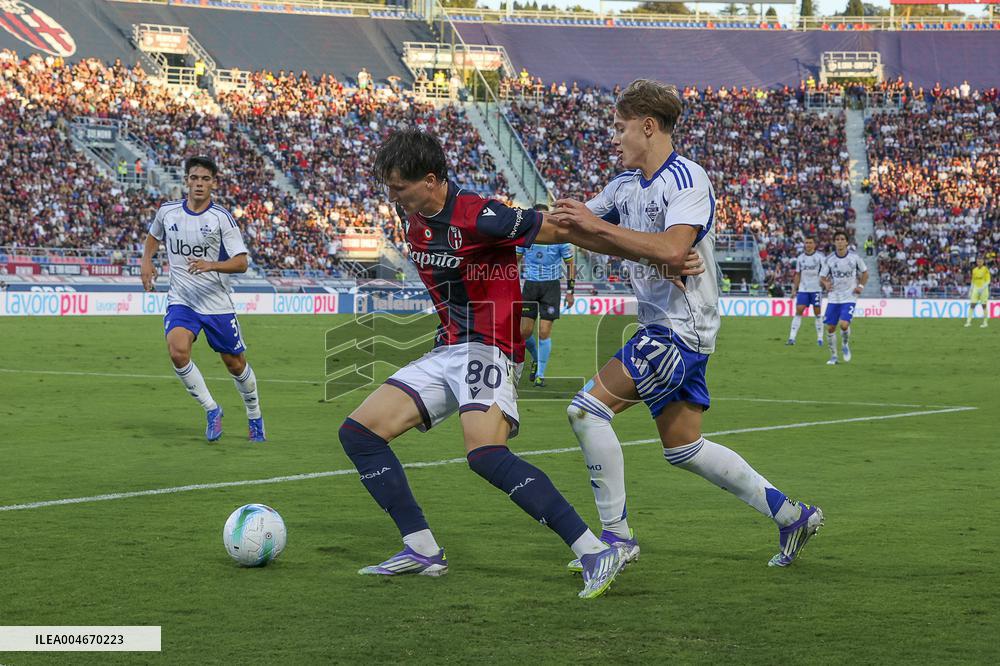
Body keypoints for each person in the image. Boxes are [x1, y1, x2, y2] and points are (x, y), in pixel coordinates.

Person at [338, 129, 632, 599]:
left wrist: (648, 253)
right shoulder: (411, 213)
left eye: (399, 187)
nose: (392, 197)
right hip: (448, 349)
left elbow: (561, 230)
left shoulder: (481, 216)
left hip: (488, 347)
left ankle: (594, 550)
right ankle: (422, 549)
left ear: (430, 180)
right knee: (358, 434)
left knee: (485, 454)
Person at [551, 79, 824, 574]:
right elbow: (576, 228)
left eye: (620, 127)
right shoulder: (624, 185)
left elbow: (672, 249)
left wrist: (605, 230)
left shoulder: (687, 178)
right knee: (684, 449)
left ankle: (616, 539)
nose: (614, 137)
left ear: (648, 126)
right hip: (662, 326)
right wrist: (499, 223)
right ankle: (792, 516)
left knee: (586, 412)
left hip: (679, 328)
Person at [140, 156, 265, 442]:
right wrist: (146, 261)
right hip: (182, 300)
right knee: (177, 351)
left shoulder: (221, 218)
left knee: (235, 364)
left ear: (213, 183)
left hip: (216, 303)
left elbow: (242, 263)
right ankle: (211, 409)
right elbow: (153, 236)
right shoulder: (168, 212)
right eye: (194, 178)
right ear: (186, 180)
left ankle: (254, 415)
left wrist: (212, 265)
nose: (199, 183)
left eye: (205, 179)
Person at [517, 203, 575, 387]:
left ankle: (540, 375)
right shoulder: (525, 237)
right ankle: (536, 357)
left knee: (543, 332)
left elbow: (570, 265)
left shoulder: (559, 237)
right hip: (530, 286)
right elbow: (513, 261)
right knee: (524, 332)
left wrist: (570, 291)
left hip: (551, 287)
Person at [819, 230, 868, 365]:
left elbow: (865, 273)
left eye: (842, 239)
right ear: (834, 242)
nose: (840, 242)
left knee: (844, 324)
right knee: (830, 328)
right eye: (837, 239)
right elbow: (822, 277)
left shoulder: (855, 258)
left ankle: (845, 344)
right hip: (834, 297)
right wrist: (826, 283)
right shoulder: (829, 260)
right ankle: (834, 356)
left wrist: (860, 286)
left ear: (846, 242)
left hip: (849, 296)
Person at [786, 236, 825, 346]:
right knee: (799, 311)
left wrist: (825, 284)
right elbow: (798, 275)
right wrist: (794, 290)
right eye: (806, 243)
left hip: (816, 289)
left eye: (810, 243)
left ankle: (820, 338)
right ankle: (792, 338)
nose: (808, 245)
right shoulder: (800, 258)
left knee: (817, 313)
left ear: (814, 245)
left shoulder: (820, 257)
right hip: (803, 289)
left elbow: (825, 272)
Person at [964, 257, 991, 328]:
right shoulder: (974, 270)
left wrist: (983, 288)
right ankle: (968, 322)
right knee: (972, 305)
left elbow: (988, 280)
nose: (979, 263)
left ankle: (985, 323)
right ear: (976, 262)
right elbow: (973, 281)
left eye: (980, 261)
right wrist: (970, 290)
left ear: (983, 262)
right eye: (978, 261)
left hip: (984, 289)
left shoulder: (985, 269)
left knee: (984, 306)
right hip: (976, 289)